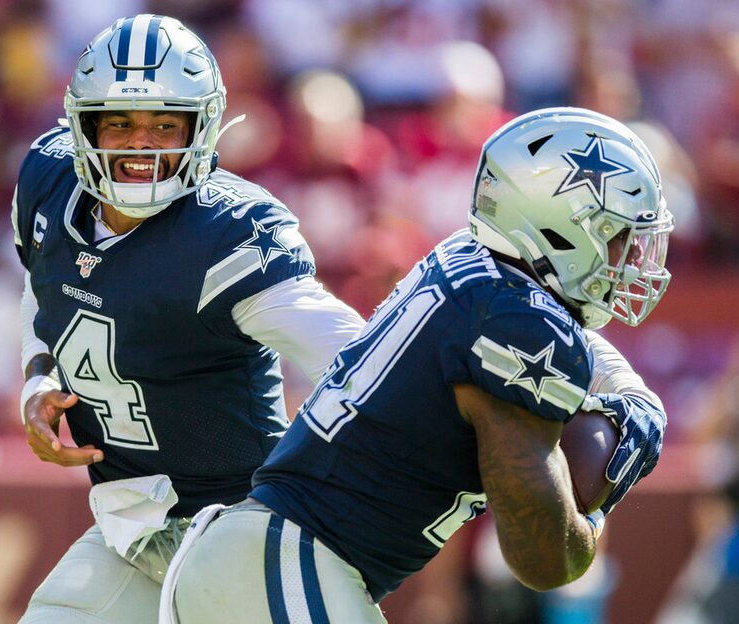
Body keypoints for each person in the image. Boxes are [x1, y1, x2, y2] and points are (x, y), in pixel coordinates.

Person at [162, 107, 674, 623]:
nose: (629, 258)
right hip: (288, 564)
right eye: (616, 234)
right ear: (562, 225)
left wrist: (630, 392)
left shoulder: (476, 267)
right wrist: (611, 483)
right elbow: (547, 560)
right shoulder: (516, 324)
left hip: (267, 559)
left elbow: (574, 339)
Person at [12, 14, 365, 623]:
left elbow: (362, 360)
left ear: (201, 126)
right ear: (83, 124)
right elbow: (39, 283)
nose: (141, 143)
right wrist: (39, 373)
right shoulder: (49, 182)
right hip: (134, 531)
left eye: (164, 123)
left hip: (243, 532)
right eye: (119, 122)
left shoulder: (225, 236)